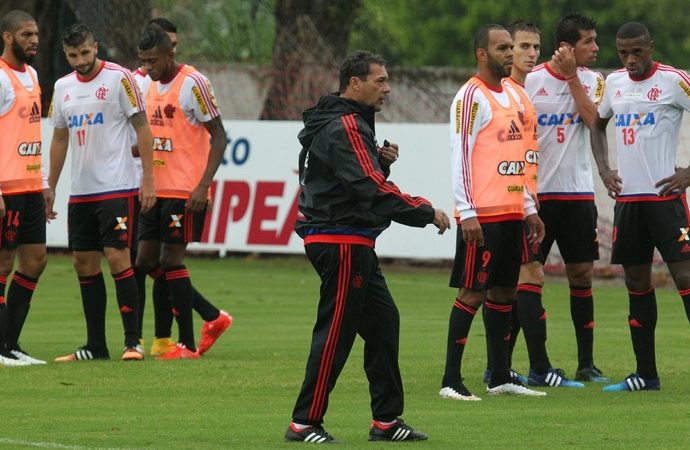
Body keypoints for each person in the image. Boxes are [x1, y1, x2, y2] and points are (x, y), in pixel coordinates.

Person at [285, 50, 449, 443]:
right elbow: (371, 190)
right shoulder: (345, 126)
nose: (387, 88)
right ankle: (304, 422)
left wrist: (379, 161)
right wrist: (426, 211)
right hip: (341, 240)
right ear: (354, 84)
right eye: (380, 81)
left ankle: (386, 421)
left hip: (347, 238)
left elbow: (350, 179)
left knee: (383, 323)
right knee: (336, 331)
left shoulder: (342, 122)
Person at [440, 24, 546, 402]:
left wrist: (529, 207)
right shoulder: (470, 97)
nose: (509, 54)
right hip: (482, 216)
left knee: (504, 292)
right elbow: (461, 156)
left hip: (513, 213)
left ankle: (500, 375)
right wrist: (466, 212)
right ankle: (451, 380)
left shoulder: (515, 95)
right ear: (482, 54)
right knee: (472, 292)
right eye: (502, 48)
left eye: (509, 47)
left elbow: (519, 157)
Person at [482, 21, 584, 389]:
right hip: (505, 202)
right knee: (523, 279)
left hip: (522, 201)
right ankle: (536, 368)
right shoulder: (503, 93)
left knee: (510, 284)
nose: (528, 54)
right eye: (521, 46)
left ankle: (499, 368)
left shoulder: (523, 94)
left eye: (534, 47)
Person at [590, 22, 690, 392]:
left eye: (637, 51)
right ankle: (646, 375)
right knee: (636, 282)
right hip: (629, 202)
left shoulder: (674, 81)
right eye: (623, 53)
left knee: (685, 278)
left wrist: (688, 175)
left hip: (666, 200)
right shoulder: (614, 83)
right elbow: (597, 126)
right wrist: (604, 169)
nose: (630, 60)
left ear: (651, 46)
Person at [47, 23, 156, 362]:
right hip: (81, 192)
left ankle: (132, 342)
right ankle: (95, 346)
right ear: (66, 55)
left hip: (117, 186)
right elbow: (60, 138)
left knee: (117, 257)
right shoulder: (62, 86)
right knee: (83, 263)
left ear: (95, 47)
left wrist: (148, 180)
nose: (80, 60)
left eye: (84, 52)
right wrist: (50, 185)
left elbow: (143, 128)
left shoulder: (119, 78)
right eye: (72, 55)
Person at [135, 24, 232, 360]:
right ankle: (211, 315)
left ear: (170, 53)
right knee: (145, 260)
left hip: (184, 189)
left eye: (153, 61)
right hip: (154, 189)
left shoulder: (194, 83)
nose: (148, 68)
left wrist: (202, 186)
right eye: (144, 61)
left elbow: (219, 137)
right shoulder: (146, 84)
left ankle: (188, 345)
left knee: (170, 259)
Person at [524, 13, 608, 382]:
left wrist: (573, 78)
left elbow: (595, 123)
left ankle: (586, 363)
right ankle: (510, 364)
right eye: (588, 41)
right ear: (566, 46)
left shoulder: (594, 81)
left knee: (581, 275)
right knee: (525, 279)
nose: (596, 48)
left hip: (577, 195)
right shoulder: (530, 80)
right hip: (536, 199)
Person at [0, 10, 47, 366]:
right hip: (7, 187)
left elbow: (32, 133)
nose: (33, 40)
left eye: (35, 34)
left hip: (31, 185)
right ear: (7, 37)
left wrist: (43, 182)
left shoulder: (31, 75)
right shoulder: (1, 78)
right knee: (2, 263)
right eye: (26, 34)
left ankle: (11, 344)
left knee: (34, 260)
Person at [130, 17, 179, 357]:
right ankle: (134, 337)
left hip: (164, 184)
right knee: (140, 263)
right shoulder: (132, 82)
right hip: (130, 182)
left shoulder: (179, 82)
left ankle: (162, 337)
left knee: (158, 262)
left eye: (173, 45)